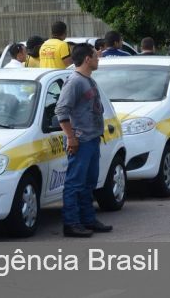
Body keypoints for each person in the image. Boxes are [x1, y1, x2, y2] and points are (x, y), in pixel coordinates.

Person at [55, 43, 112, 238]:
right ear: (87, 59)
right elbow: (61, 111)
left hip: (92, 138)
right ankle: (71, 223)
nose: (98, 59)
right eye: (95, 56)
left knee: (89, 183)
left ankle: (88, 219)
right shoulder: (75, 82)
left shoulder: (89, 80)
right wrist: (71, 137)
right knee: (75, 183)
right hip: (81, 140)